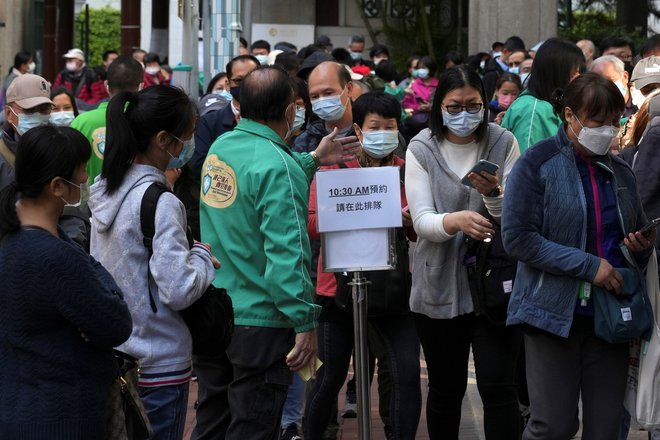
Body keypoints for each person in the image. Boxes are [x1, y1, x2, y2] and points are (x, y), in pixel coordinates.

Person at [197, 65, 359, 440]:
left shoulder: (222, 148)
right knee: (253, 426)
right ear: (289, 111)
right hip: (262, 323)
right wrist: (304, 321)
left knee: (212, 422)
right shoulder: (277, 164)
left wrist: (312, 159)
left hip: (217, 312)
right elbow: (287, 252)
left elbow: (257, 184)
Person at [502, 72, 654, 440]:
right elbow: (518, 238)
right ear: (569, 116)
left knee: (607, 427)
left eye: (613, 121)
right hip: (549, 314)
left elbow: (634, 229)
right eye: (596, 121)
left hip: (610, 316)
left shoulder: (620, 171)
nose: (606, 130)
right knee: (553, 426)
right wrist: (589, 266)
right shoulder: (537, 163)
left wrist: (641, 246)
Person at [89, 85, 218, 440]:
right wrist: (203, 258)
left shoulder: (105, 189)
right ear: (164, 139)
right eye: (186, 137)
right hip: (159, 360)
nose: (188, 148)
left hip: (118, 356)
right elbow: (177, 289)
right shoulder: (161, 202)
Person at [405, 65, 521, 439]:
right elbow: (421, 221)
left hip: (494, 282)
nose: (464, 114)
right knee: (445, 388)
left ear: (486, 106)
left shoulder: (504, 142)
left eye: (474, 105)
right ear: (439, 105)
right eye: (454, 106)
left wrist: (494, 195)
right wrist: (455, 221)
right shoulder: (421, 147)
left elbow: (515, 217)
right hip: (437, 283)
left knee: (498, 387)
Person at [0, 125, 132, 439]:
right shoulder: (55, 257)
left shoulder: (12, 240)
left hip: (14, 410)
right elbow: (117, 322)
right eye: (82, 170)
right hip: (62, 417)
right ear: (58, 186)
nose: (86, 178)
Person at [304, 92, 422, 440]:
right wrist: (352, 212)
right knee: (328, 376)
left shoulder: (407, 171)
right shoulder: (333, 169)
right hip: (335, 287)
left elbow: (420, 227)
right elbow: (311, 224)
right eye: (375, 126)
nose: (382, 133)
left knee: (404, 374)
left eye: (390, 127)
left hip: (393, 287)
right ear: (358, 128)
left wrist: (408, 220)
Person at [71, 55, 144, 187]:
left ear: (106, 85)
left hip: (90, 204)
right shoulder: (148, 120)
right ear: (141, 86)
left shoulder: (82, 122)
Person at [502, 38, 584, 153]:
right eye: (574, 73)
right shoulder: (533, 110)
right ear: (557, 73)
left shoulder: (542, 105)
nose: (578, 78)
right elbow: (527, 165)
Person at [0, 73, 53, 191]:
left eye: (44, 109)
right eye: (29, 110)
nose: (38, 116)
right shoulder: (2, 155)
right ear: (9, 113)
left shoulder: (61, 146)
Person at [401, 56, 439, 142]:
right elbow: (405, 105)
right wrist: (417, 107)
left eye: (424, 68)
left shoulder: (438, 85)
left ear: (431, 68)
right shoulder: (413, 84)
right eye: (419, 68)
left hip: (433, 127)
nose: (420, 70)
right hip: (415, 127)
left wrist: (431, 107)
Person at [482, 36, 526, 102]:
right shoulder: (491, 74)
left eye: (517, 63)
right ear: (505, 52)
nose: (515, 67)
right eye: (511, 64)